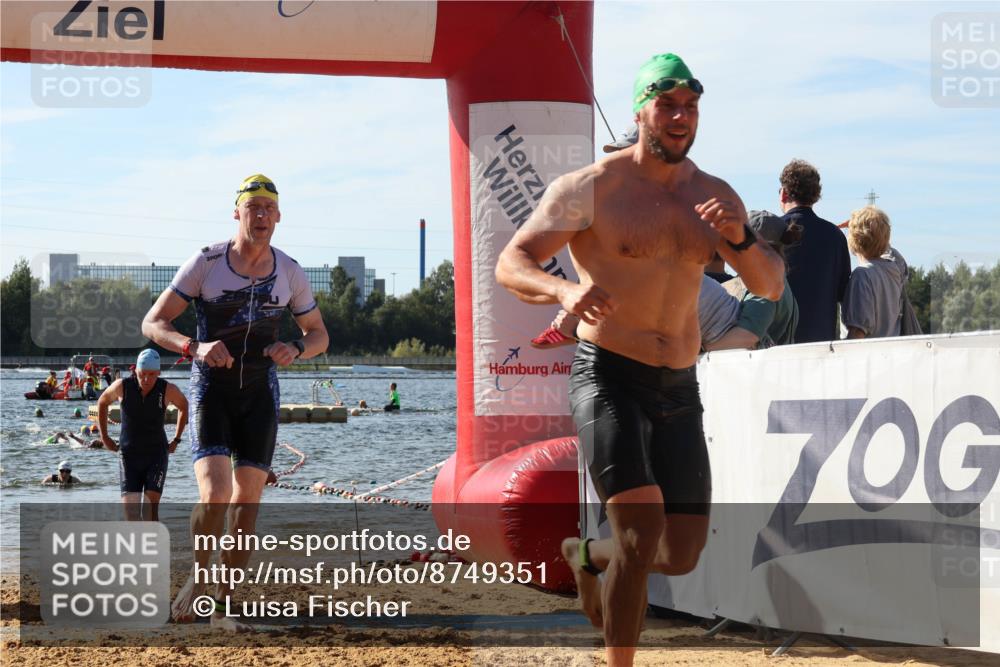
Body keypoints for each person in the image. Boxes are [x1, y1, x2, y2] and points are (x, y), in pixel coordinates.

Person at [495, 53, 784, 666]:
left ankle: (586, 556)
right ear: (641, 111)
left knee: (681, 552)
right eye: (667, 105)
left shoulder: (713, 195)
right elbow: (511, 263)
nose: (680, 118)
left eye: (690, 107)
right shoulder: (593, 187)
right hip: (607, 376)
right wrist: (565, 290)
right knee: (639, 526)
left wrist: (738, 238)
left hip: (679, 385)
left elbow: (770, 286)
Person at [141, 173, 328, 631]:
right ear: (237, 214)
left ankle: (222, 607)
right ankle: (199, 580)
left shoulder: (289, 270)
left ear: (278, 217)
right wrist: (193, 347)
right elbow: (154, 323)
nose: (261, 216)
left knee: (247, 505)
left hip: (260, 395)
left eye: (268, 209)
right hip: (212, 391)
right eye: (253, 208)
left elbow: (320, 334)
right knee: (217, 494)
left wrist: (297, 348)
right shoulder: (206, 263)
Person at [98, 349, 188, 522]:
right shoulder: (122, 386)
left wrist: (176, 439)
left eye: (152, 375)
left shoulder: (168, 389)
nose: (146, 379)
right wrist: (105, 437)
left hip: (157, 455)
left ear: (159, 372)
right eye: (142, 374)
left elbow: (184, 407)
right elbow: (102, 402)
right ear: (135, 371)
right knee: (131, 514)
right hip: (128, 455)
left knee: (149, 510)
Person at [703, 210, 801, 350]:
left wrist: (699, 349)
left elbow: (746, 337)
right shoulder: (773, 282)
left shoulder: (766, 287)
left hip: (763, 369)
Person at [778, 159, 851, 343]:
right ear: (815, 195)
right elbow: (843, 294)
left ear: (784, 194)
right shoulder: (835, 236)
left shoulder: (770, 233)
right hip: (821, 346)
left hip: (776, 347)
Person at [841, 206, 912, 339]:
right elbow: (892, 253)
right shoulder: (893, 270)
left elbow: (858, 331)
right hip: (889, 353)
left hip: (868, 356)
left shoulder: (862, 275)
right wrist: (877, 232)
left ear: (854, 239)